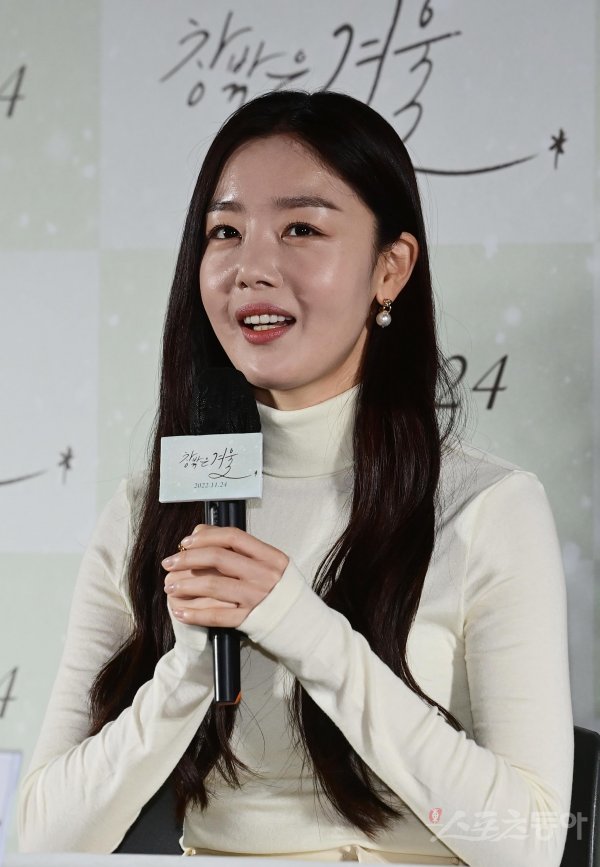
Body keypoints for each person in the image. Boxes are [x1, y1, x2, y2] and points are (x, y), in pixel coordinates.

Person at [18, 91, 573, 866]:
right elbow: (44, 841)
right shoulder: (149, 511)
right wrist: (189, 668)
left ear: (390, 268)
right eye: (225, 231)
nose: (252, 268)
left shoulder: (488, 508)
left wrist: (299, 624)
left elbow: (530, 845)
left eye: (301, 229)